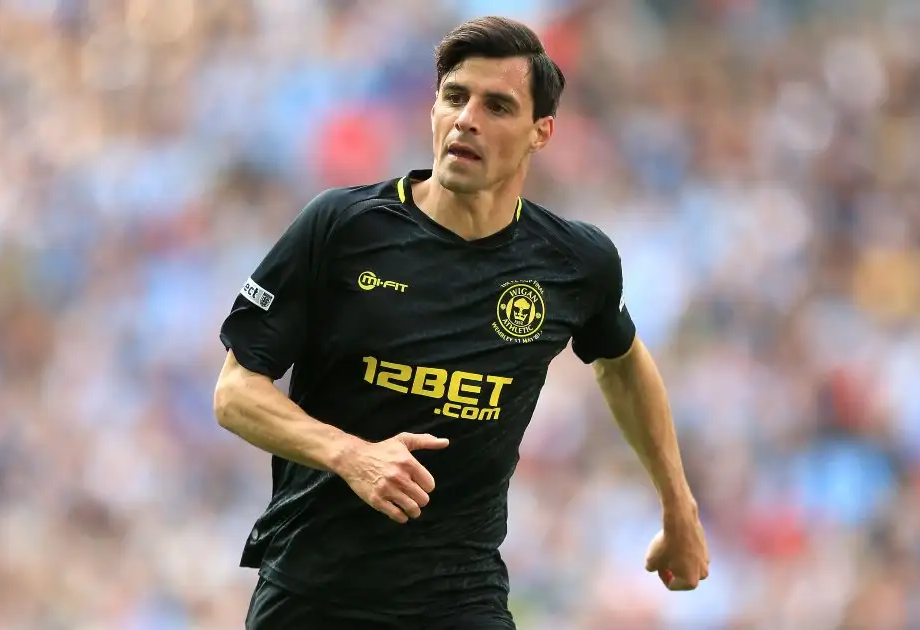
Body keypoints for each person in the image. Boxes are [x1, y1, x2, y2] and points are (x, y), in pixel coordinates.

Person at [213, 15, 710, 630]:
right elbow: (235, 393)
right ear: (433, 110)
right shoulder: (342, 228)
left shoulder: (574, 262)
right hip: (312, 592)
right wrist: (351, 455)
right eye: (454, 97)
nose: (466, 119)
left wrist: (678, 507)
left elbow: (623, 363)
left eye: (497, 106)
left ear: (541, 132)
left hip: (460, 598)